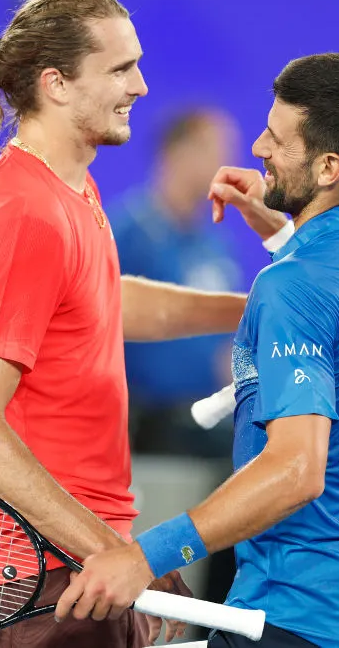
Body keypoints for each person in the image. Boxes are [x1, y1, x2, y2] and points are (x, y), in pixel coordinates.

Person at [55, 52, 339, 648]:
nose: (258, 148)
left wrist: (145, 556)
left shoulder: (293, 286)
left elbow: (296, 470)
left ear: (329, 166)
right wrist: (286, 230)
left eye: (279, 140)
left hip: (292, 621)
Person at [0, 0, 277, 648]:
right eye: (120, 69)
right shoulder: (23, 215)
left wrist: (257, 307)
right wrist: (115, 554)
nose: (142, 86)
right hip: (43, 587)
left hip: (75, 575)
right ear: (57, 84)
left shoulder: (69, 189)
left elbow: (105, 303)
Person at [111, 107, 243, 457]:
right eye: (215, 151)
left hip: (209, 418)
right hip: (149, 424)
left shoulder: (214, 245)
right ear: (179, 152)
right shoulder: (127, 234)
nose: (226, 164)